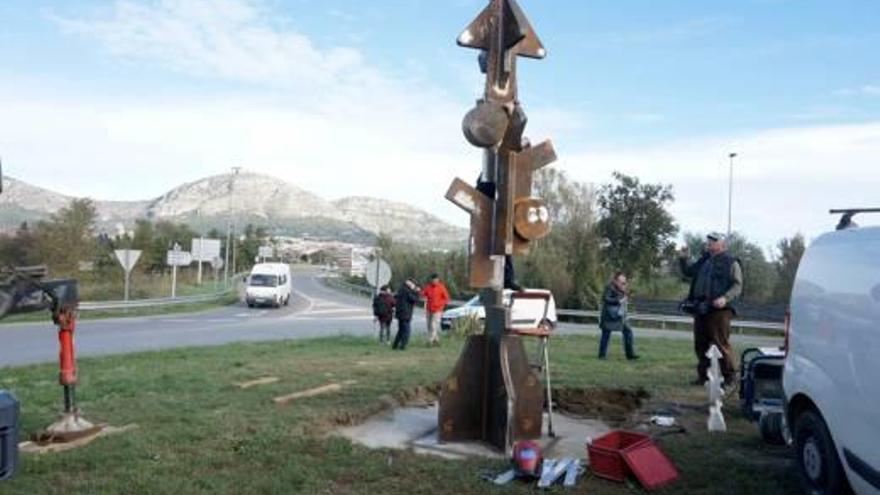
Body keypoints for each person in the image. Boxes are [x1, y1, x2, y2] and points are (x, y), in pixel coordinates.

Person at [679, 232, 743, 386]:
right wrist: (683, 258)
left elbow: (737, 285)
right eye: (709, 241)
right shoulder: (704, 259)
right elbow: (688, 272)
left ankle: (729, 377)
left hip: (720, 310)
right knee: (700, 344)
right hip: (701, 307)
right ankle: (704, 376)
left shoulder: (731, 262)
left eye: (713, 241)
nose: (709, 244)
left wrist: (725, 298)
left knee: (720, 343)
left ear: (722, 245)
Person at [598, 271, 639, 360]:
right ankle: (601, 355)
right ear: (616, 281)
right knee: (606, 335)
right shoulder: (609, 287)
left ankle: (630, 355)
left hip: (620, 315)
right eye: (622, 282)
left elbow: (624, 299)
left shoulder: (622, 288)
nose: (624, 284)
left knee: (628, 332)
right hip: (609, 315)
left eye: (625, 282)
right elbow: (605, 298)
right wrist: (618, 301)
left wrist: (626, 296)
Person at [420, 273, 450, 346]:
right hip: (429, 309)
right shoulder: (428, 287)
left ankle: (430, 341)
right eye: (433, 280)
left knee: (434, 325)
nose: (434, 281)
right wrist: (419, 292)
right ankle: (436, 341)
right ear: (431, 280)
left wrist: (440, 304)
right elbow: (422, 294)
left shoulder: (441, 287)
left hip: (438, 310)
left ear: (438, 280)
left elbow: (447, 299)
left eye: (435, 280)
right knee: (429, 325)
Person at [392, 279, 420, 351]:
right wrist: (417, 292)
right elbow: (415, 300)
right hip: (405, 314)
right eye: (413, 284)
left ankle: (395, 345)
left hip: (400, 313)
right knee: (406, 331)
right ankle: (402, 346)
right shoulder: (407, 291)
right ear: (410, 284)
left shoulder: (401, 289)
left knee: (401, 330)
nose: (414, 286)